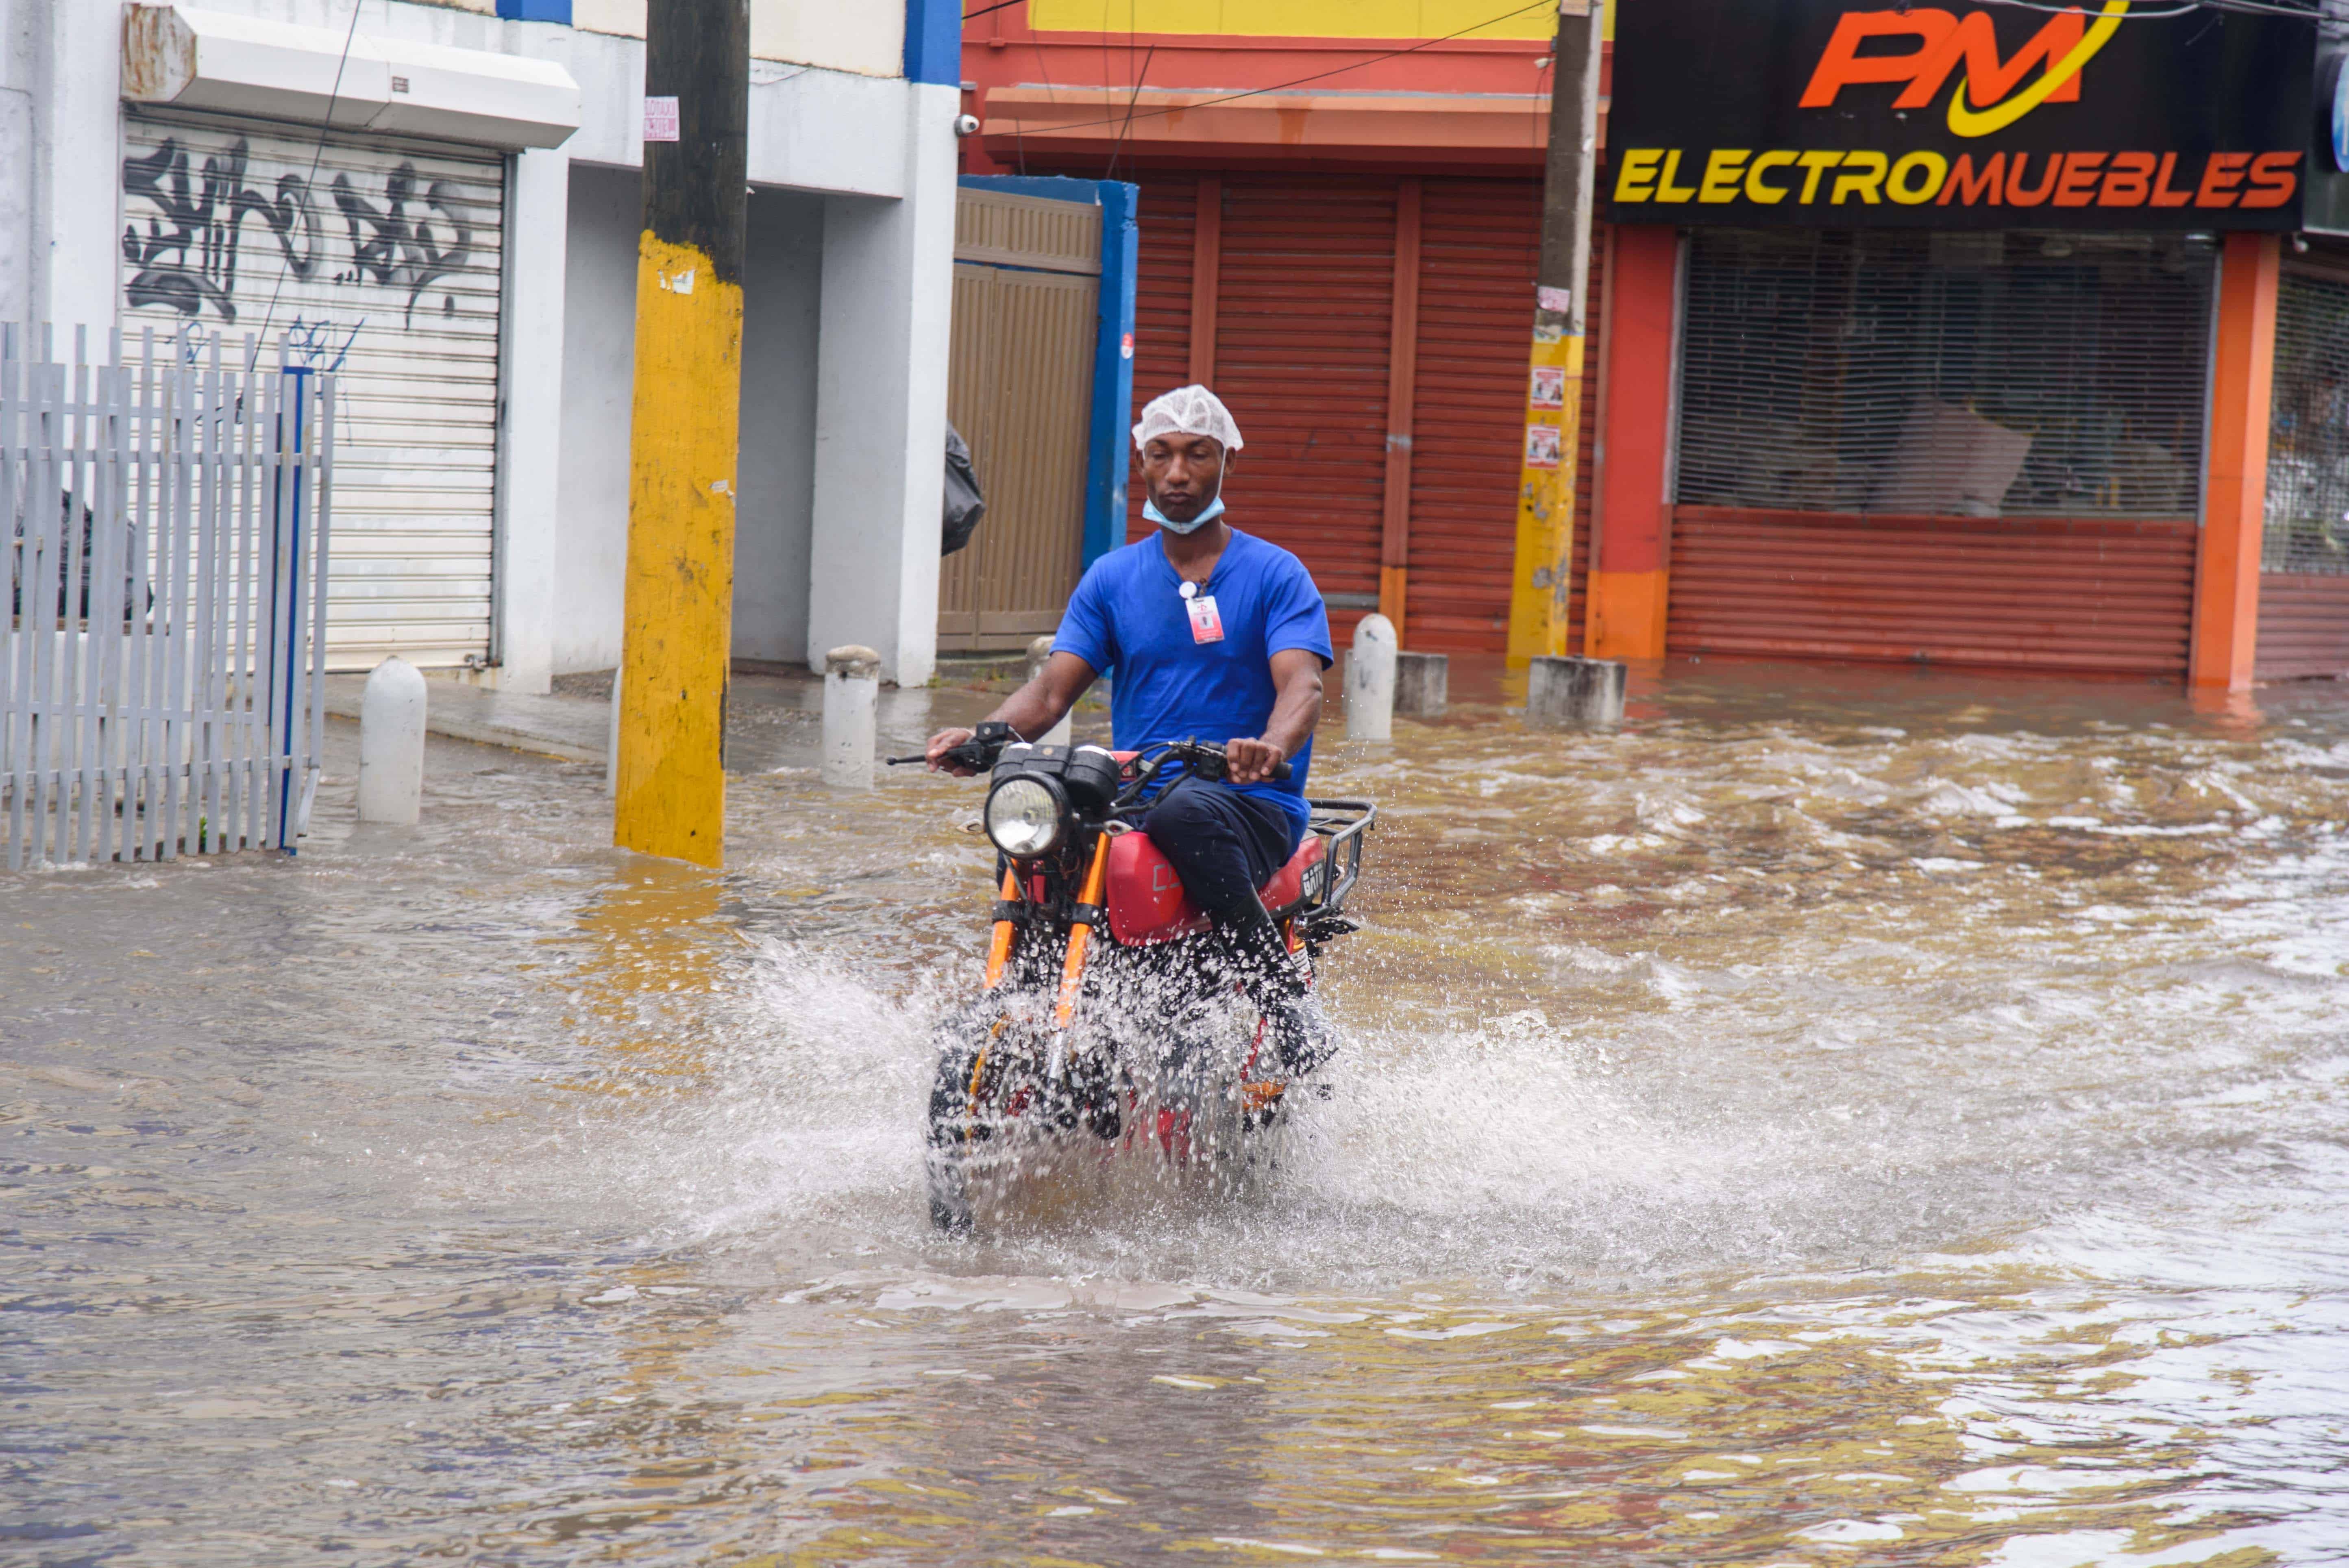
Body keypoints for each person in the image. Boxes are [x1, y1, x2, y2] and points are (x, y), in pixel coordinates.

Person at [925, 384, 1338, 1074]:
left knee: (1186, 811)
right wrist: (984, 736)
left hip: (1248, 803)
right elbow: (1052, 691)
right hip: (1140, 797)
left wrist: (1271, 748)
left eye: (1196, 456)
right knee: (1037, 827)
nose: (1177, 474)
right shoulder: (1112, 577)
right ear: (1140, 464)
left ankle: (1282, 1000)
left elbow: (1303, 683)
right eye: (1161, 455)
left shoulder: (1275, 573)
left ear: (1226, 463)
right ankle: (1030, 1010)